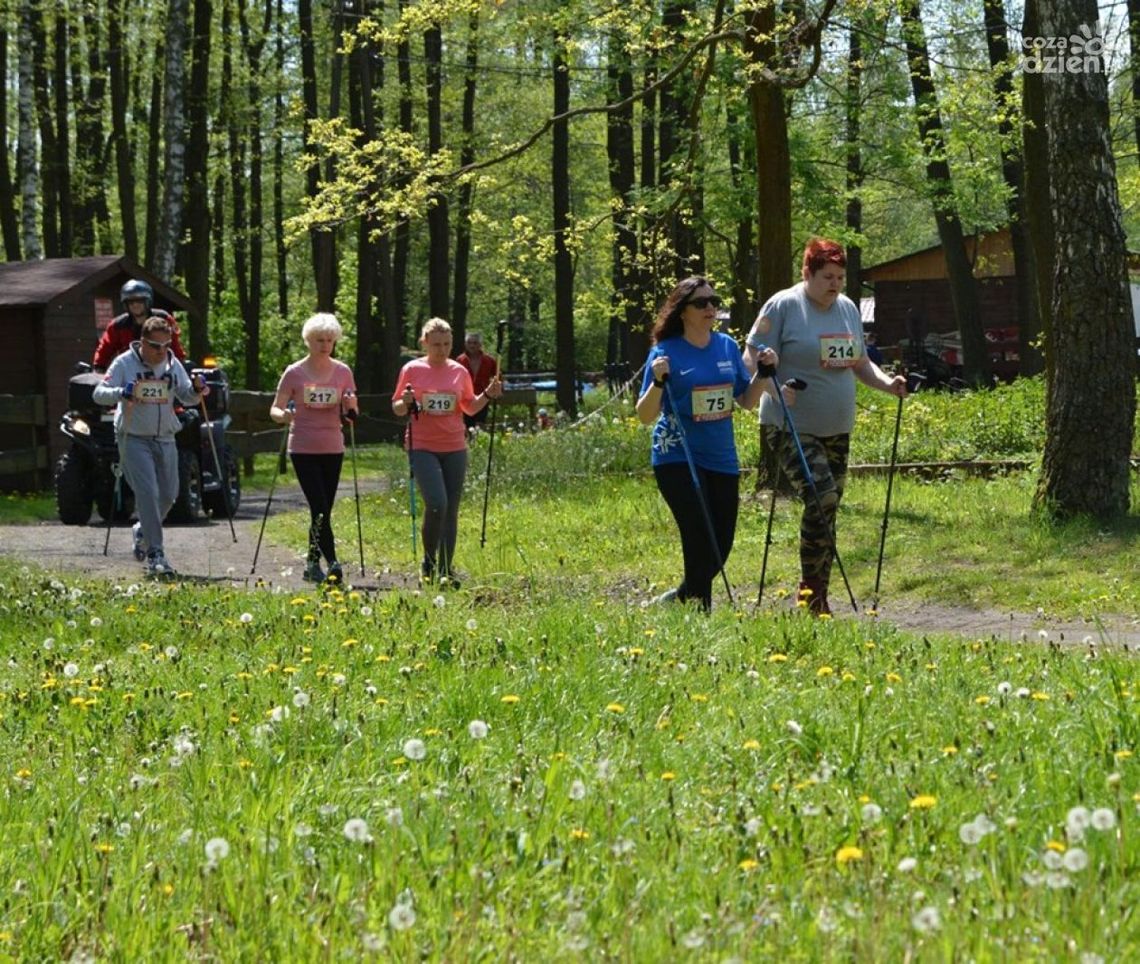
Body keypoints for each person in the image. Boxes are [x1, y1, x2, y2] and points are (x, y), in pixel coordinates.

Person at [743, 238, 907, 615]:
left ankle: (818, 596)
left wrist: (887, 384)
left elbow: (859, 362)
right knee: (822, 495)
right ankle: (810, 591)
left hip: (837, 427)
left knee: (828, 508)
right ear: (807, 274)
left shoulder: (847, 309)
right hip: (789, 425)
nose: (834, 284)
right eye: (826, 277)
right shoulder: (783, 305)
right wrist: (774, 388)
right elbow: (750, 360)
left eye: (840, 277)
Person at [636, 277, 777, 611]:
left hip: (721, 457)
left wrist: (764, 373)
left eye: (714, 301)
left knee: (721, 543)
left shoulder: (727, 346)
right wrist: (658, 382)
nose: (711, 308)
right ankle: (700, 614)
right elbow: (644, 414)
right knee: (699, 534)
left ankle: (680, 597)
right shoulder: (664, 352)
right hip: (677, 457)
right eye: (701, 303)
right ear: (682, 311)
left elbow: (745, 399)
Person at [92, 315, 208, 577]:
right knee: (148, 492)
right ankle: (156, 553)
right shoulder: (124, 363)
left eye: (166, 345)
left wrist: (198, 389)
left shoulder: (171, 362)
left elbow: (187, 396)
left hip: (165, 436)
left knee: (169, 495)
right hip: (132, 436)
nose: (161, 351)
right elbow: (98, 393)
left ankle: (142, 530)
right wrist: (121, 392)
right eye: (155, 346)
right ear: (142, 343)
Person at [392, 318, 502, 586]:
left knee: (451, 509)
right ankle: (429, 561)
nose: (442, 350)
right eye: (436, 344)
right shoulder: (412, 369)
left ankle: (444, 569)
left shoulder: (459, 371)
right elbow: (396, 407)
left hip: (454, 446)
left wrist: (488, 393)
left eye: (447, 344)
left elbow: (470, 407)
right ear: (424, 343)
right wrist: (405, 402)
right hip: (422, 446)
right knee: (437, 503)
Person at [269, 313, 359, 584]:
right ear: (308, 341)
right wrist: (284, 415)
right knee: (319, 506)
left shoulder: (343, 371)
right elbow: (275, 407)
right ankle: (332, 562)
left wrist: (350, 407)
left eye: (330, 340)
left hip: (333, 446)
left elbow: (352, 407)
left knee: (323, 510)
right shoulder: (294, 372)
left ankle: (311, 563)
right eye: (320, 340)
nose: (325, 345)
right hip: (303, 447)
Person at [94, 280, 187, 371]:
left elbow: (175, 346)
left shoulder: (164, 319)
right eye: (131, 302)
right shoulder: (117, 325)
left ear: (148, 301)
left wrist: (181, 366)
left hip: (161, 370)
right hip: (129, 372)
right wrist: (99, 367)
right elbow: (105, 349)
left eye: (139, 301)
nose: (135, 305)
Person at [456, 331, 500, 430]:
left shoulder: (489, 360)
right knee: (467, 425)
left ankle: (479, 443)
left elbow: (498, 376)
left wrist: (497, 390)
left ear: (480, 344)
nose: (472, 345)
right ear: (465, 344)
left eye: (475, 343)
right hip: (465, 397)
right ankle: (469, 443)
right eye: (469, 343)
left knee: (481, 424)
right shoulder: (460, 360)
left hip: (483, 396)